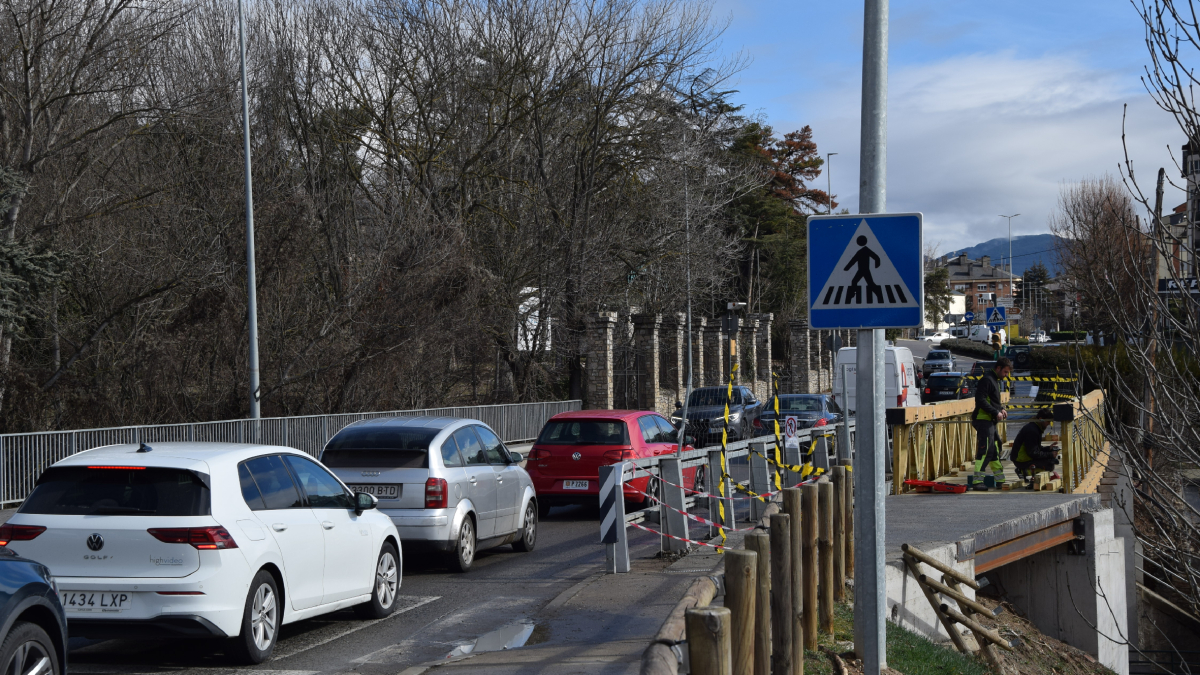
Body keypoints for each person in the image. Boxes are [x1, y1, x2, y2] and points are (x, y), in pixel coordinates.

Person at [972, 357, 1012, 487]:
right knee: (985, 449)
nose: (1006, 376)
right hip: (983, 420)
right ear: (998, 368)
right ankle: (977, 481)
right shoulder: (987, 380)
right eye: (1005, 372)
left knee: (994, 449)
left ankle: (999, 480)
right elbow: (980, 400)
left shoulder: (994, 380)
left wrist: (1001, 409)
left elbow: (992, 401)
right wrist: (995, 412)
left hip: (990, 420)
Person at [1012, 408, 1061, 485]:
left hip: (1025, 456)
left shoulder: (1036, 427)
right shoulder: (1032, 431)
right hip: (1021, 460)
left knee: (1050, 460)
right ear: (1041, 419)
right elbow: (1033, 453)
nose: (1049, 424)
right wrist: (1050, 454)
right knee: (1049, 464)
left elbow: (1036, 448)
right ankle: (1023, 471)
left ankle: (1026, 470)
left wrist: (1049, 448)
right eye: (1048, 421)